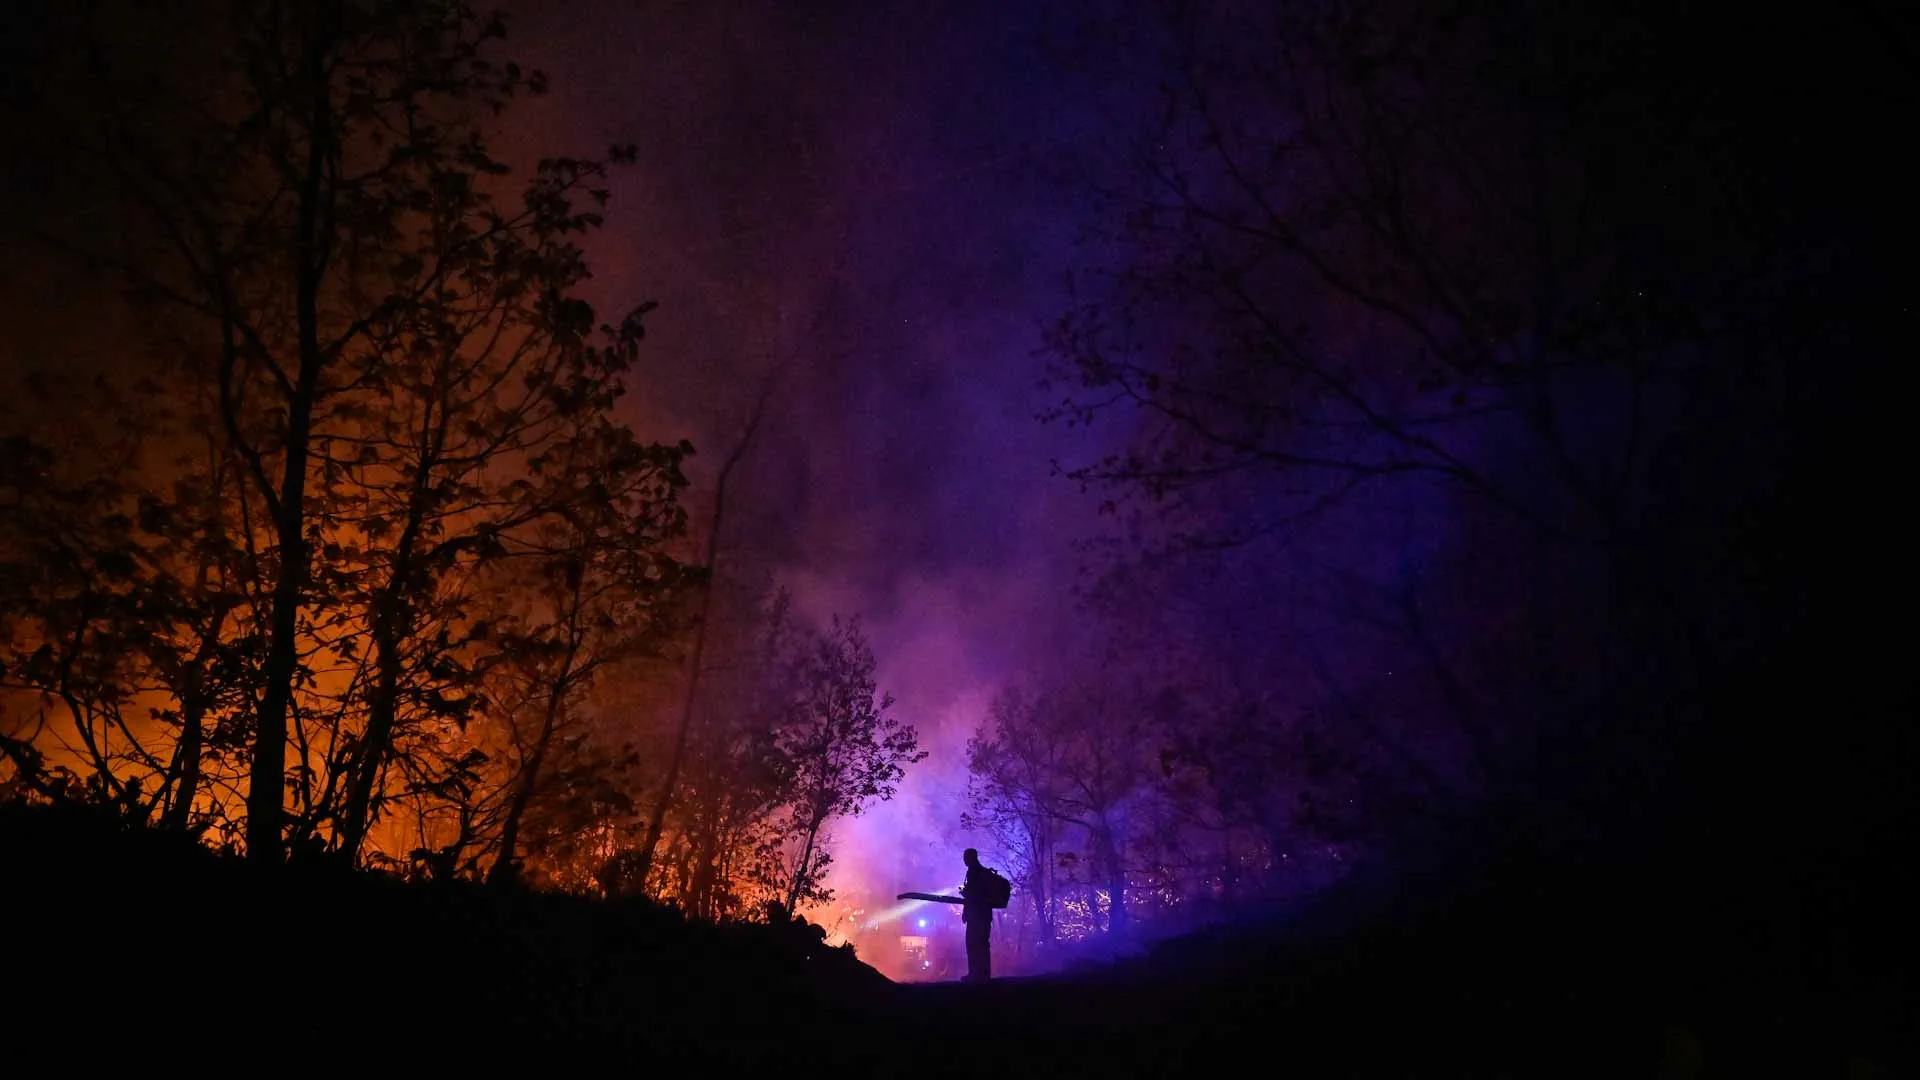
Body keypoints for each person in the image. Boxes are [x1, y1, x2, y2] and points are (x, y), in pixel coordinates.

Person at [959, 847, 993, 982]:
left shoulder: (974, 873)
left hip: (976, 916)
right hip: (984, 915)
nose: (964, 860)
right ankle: (983, 974)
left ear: (970, 857)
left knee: (973, 945)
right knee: (983, 945)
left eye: (965, 857)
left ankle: (975, 975)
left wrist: (964, 895)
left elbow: (972, 896)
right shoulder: (982, 872)